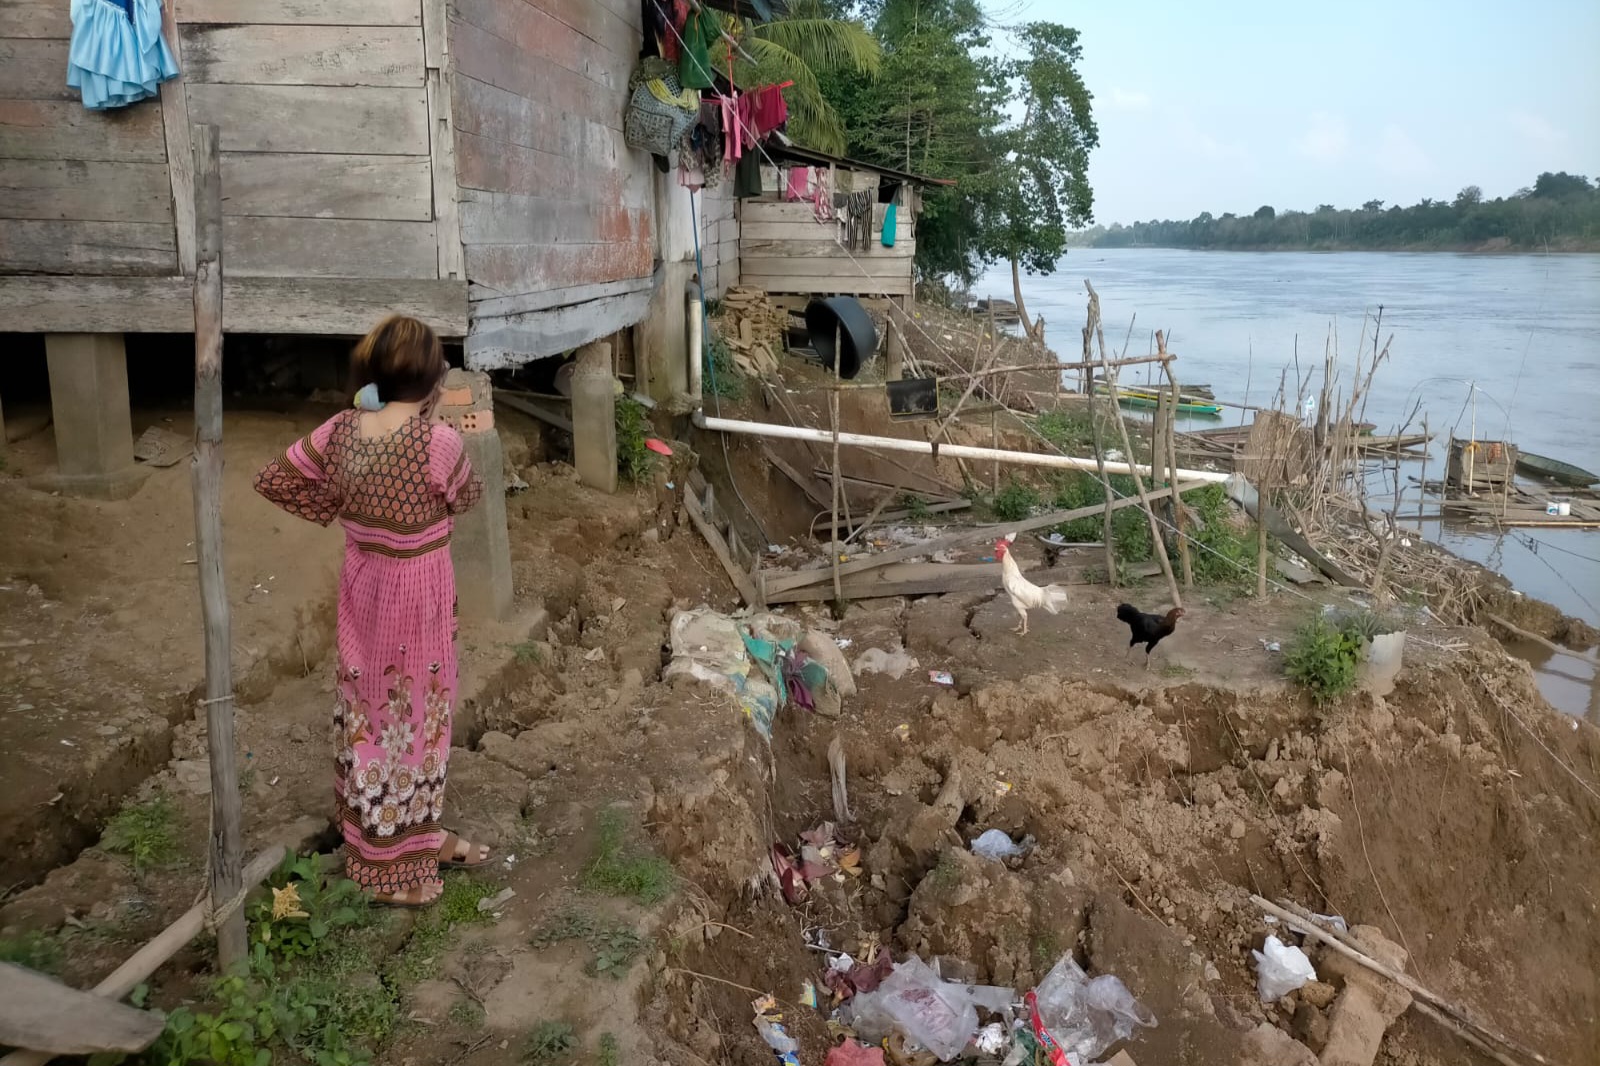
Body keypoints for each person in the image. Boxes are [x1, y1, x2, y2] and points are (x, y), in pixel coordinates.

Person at [254, 315, 491, 906]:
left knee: (372, 708)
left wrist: (338, 505)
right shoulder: (440, 444)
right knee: (417, 715)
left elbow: (276, 479)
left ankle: (409, 836)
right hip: (419, 593)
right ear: (435, 380)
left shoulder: (341, 429)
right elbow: (465, 495)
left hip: (365, 584)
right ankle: (390, 867)